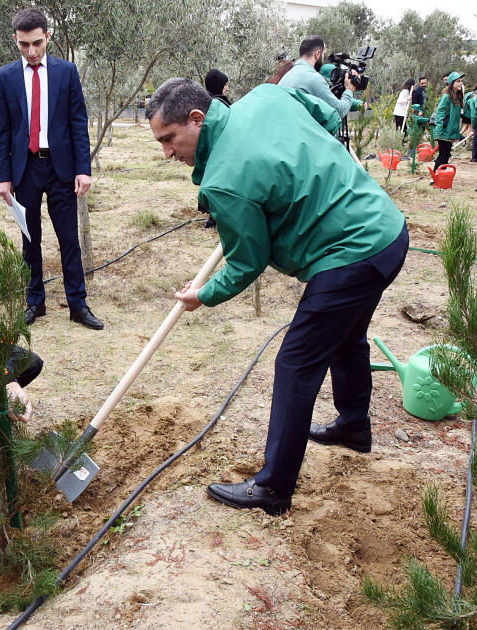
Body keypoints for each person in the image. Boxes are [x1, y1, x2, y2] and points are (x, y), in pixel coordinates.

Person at [147, 78, 407, 515]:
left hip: (351, 254)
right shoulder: (267, 96)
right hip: (387, 230)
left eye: (170, 139)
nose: (167, 153)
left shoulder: (225, 181)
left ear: (197, 119)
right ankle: (354, 426)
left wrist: (203, 295)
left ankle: (273, 487)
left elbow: (248, 262)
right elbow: (328, 116)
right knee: (346, 337)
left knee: (295, 363)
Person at [0, 7, 102, 330]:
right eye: (24, 44)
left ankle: (77, 304)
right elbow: (2, 130)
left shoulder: (67, 72)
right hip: (24, 169)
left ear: (48, 36)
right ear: (15, 39)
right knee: (30, 241)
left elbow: (78, 121)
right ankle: (34, 303)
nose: (31, 51)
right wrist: (4, 177)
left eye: (37, 43)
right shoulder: (4, 77)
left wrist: (84, 168)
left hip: (61, 169)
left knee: (69, 239)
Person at [278, 35, 357, 120]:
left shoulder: (288, 74)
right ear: (318, 54)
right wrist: (349, 90)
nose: (323, 58)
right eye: (323, 54)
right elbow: (338, 112)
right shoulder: (313, 78)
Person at [432, 72, 465, 170]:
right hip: (444, 132)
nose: (460, 84)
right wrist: (439, 131)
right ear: (452, 83)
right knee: (443, 156)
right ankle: (435, 177)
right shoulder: (446, 97)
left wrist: (458, 134)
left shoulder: (458, 98)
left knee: (446, 156)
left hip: (451, 132)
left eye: (461, 82)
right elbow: (439, 113)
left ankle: (440, 177)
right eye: (458, 81)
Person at [463, 82, 477, 162]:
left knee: (476, 138)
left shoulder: (472, 101)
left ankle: (474, 157)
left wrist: (473, 128)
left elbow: (473, 115)